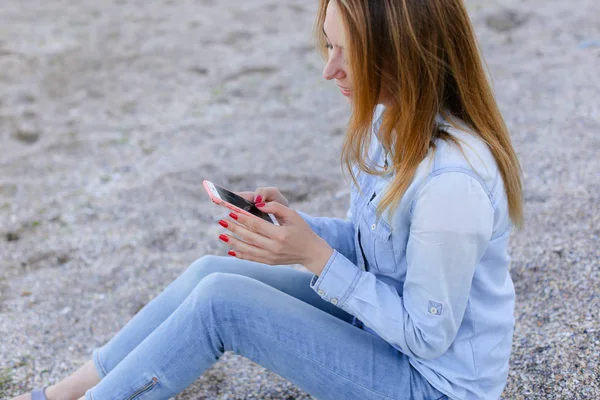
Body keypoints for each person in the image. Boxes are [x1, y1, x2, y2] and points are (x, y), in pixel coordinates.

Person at [14, 0, 524, 399]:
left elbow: (425, 336)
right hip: (379, 325)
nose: (331, 70)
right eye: (328, 46)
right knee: (210, 275)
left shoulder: (451, 186)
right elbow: (378, 250)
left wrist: (314, 257)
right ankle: (63, 393)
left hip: (429, 384)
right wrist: (299, 230)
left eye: (349, 54)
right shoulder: (388, 121)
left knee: (222, 306)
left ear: (403, 56)